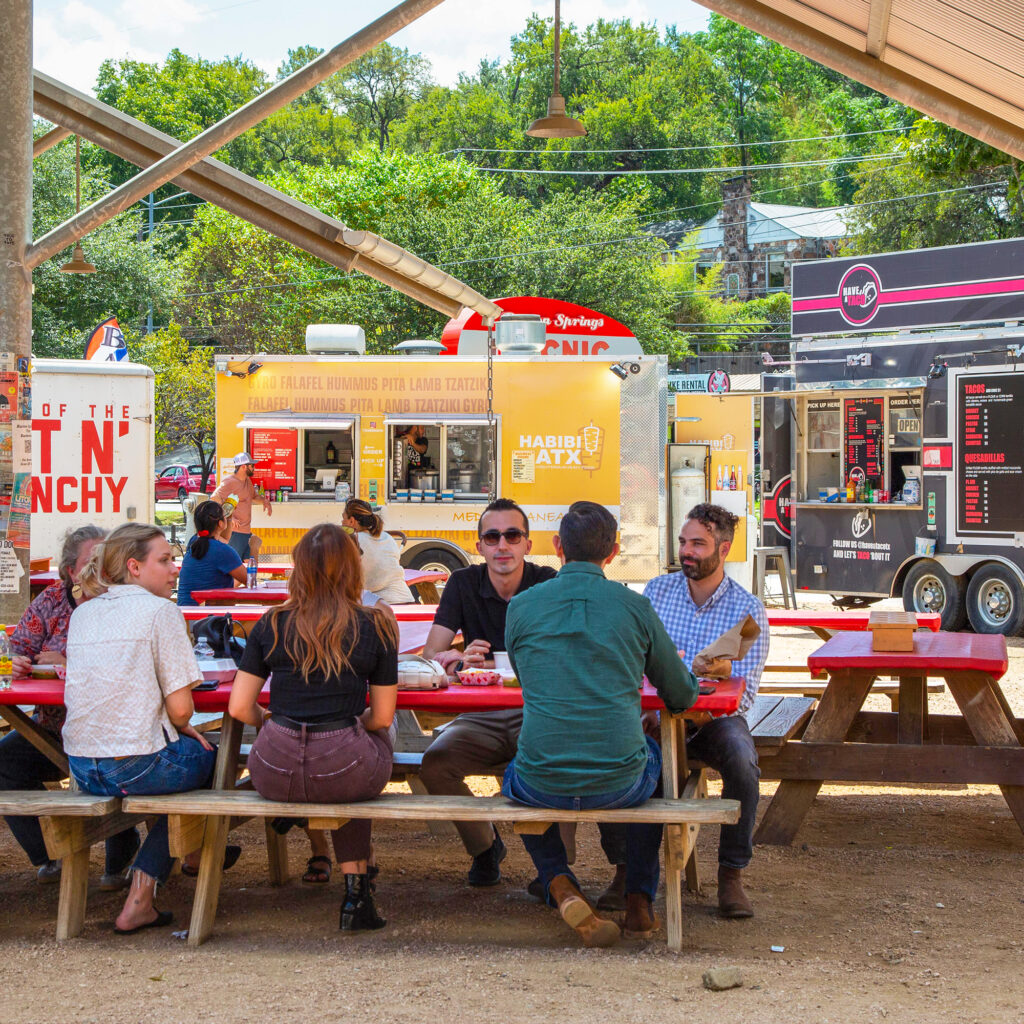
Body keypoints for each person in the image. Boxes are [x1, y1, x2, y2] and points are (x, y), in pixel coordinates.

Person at [503, 501, 698, 947]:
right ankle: (639, 899)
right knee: (657, 769)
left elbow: (526, 674)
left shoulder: (521, 607)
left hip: (541, 781)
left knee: (513, 772)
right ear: (613, 552)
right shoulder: (635, 607)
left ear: (557, 548)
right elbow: (681, 696)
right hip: (620, 783)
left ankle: (558, 880)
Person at [228, 523, 399, 932]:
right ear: (353, 569)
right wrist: (351, 727)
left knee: (346, 756)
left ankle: (303, 800)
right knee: (370, 743)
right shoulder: (375, 624)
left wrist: (269, 720)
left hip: (274, 767)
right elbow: (382, 717)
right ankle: (357, 889)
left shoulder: (271, 622)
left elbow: (238, 707)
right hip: (344, 765)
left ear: (298, 568)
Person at [63, 524, 228, 935]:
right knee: (214, 759)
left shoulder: (83, 613)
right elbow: (180, 710)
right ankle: (146, 890)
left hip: (82, 765)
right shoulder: (162, 613)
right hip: (136, 763)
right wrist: (186, 728)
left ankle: (176, 862)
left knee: (177, 762)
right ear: (134, 567)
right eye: (165, 560)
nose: (176, 569)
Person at [642, 503, 769, 918]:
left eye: (698, 543)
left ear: (724, 549)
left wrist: (700, 699)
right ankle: (630, 877)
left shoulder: (748, 610)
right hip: (655, 717)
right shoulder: (656, 593)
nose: (687, 551)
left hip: (713, 722)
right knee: (621, 757)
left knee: (743, 760)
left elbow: (744, 695)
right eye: (683, 542)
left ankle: (731, 875)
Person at [420, 498, 556, 886]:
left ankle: (554, 871)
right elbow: (431, 655)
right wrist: (458, 657)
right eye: (492, 536)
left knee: (553, 768)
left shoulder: (547, 582)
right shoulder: (463, 583)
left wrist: (494, 664)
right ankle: (485, 847)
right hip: (480, 715)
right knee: (435, 765)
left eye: (512, 535)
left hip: (537, 714)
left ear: (528, 544)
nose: (503, 545)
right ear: (479, 546)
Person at [0, 526, 139, 889]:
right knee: (3, 764)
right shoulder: (51, 600)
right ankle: (49, 854)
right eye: (90, 562)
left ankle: (119, 862)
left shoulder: (126, 603)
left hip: (114, 733)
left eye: (105, 560)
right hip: (51, 727)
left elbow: (129, 667)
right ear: (70, 572)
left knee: (110, 775)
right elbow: (17, 648)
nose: (100, 570)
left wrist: (69, 659)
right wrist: (14, 661)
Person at [342, 499, 413, 604]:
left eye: (343, 518)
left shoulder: (353, 541)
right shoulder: (388, 537)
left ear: (352, 521)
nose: (342, 523)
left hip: (376, 607)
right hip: (405, 599)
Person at [176, 501, 246, 605]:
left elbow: (223, 538)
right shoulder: (223, 551)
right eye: (224, 516)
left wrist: (229, 517)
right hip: (210, 618)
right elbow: (250, 580)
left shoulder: (194, 541)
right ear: (220, 524)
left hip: (184, 613)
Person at [211, 452, 272, 560]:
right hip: (235, 532)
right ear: (243, 466)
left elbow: (253, 496)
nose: (254, 468)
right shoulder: (230, 482)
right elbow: (214, 498)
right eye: (252, 466)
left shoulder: (247, 481)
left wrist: (264, 501)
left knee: (249, 566)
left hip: (246, 531)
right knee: (233, 566)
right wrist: (229, 517)